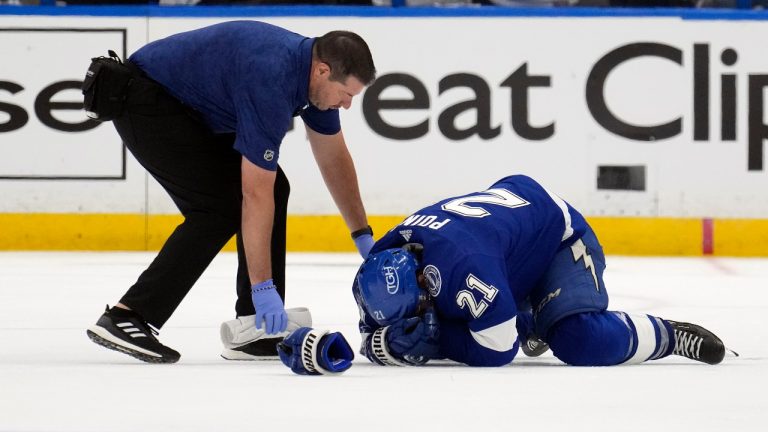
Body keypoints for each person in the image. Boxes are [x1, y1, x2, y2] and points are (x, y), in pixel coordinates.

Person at [85, 20, 377, 364]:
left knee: (273, 188)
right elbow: (254, 193)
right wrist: (263, 287)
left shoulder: (313, 79)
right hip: (146, 99)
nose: (346, 106)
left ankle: (256, 327)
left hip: (189, 108)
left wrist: (362, 235)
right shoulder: (272, 77)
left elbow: (333, 157)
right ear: (323, 71)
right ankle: (128, 315)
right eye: (347, 95)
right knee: (219, 208)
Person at [350, 174, 731, 367]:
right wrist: (376, 339)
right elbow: (377, 314)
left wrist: (435, 343)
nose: (418, 312)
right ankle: (532, 317)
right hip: (507, 243)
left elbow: (498, 349)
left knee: (574, 338)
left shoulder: (466, 269)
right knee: (455, 308)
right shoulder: (388, 252)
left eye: (418, 303)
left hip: (557, 237)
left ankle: (668, 335)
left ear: (422, 276)